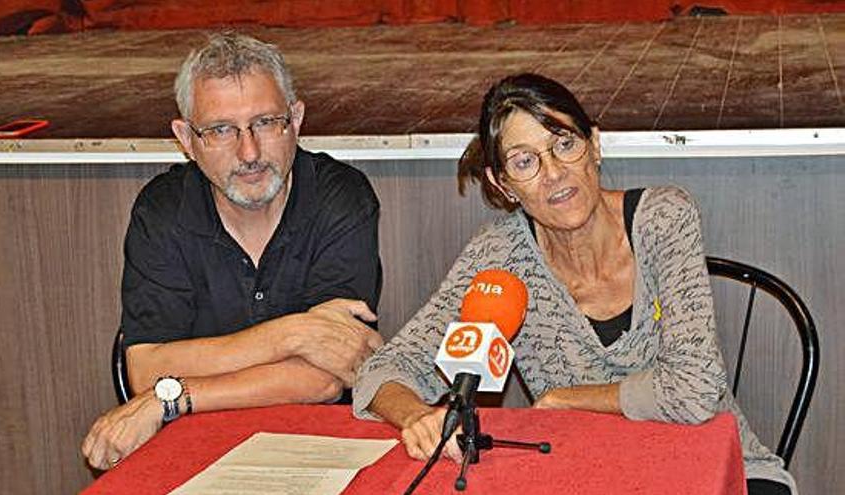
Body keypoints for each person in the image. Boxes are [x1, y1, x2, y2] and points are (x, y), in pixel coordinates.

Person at [352, 73, 796, 494]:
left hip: (721, 470)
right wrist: (415, 416)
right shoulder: (500, 257)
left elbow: (695, 390)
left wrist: (567, 399)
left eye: (564, 144)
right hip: (590, 476)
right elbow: (383, 370)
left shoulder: (664, 218)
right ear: (503, 184)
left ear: (595, 145)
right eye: (525, 162)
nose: (554, 172)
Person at [81, 32, 383, 471]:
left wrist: (178, 396)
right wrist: (293, 334)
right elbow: (146, 371)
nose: (250, 152)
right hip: (192, 451)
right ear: (186, 139)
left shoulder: (341, 197)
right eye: (221, 130)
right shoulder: (162, 211)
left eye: (265, 122)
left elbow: (323, 378)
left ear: (295, 120)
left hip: (321, 450)